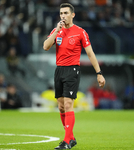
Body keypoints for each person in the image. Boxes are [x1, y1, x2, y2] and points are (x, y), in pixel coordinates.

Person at [43, 3, 105, 149]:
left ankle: (66, 141)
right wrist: (56, 31)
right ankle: (70, 138)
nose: (63, 16)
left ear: (73, 14)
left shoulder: (80, 32)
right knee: (61, 107)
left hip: (72, 70)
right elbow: (45, 47)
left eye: (65, 13)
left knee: (68, 104)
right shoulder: (56, 31)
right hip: (59, 70)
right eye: (61, 13)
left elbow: (90, 53)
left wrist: (99, 73)